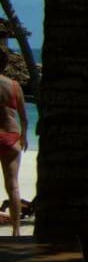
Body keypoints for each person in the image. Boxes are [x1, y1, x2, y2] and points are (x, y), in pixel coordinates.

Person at [0, 47, 28, 236]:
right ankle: (16, 231)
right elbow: (24, 118)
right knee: (13, 185)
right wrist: (25, 136)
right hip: (10, 137)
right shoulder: (14, 86)